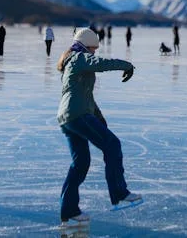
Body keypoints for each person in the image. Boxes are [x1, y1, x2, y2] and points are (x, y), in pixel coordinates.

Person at [56, 28, 142, 227]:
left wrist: (99, 118)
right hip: (77, 115)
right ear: (86, 45)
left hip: (68, 117)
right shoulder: (79, 57)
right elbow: (100, 64)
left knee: (80, 164)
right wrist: (126, 65)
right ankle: (120, 193)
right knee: (112, 145)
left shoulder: (73, 60)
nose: (94, 52)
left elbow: (85, 96)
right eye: (93, 48)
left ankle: (69, 210)